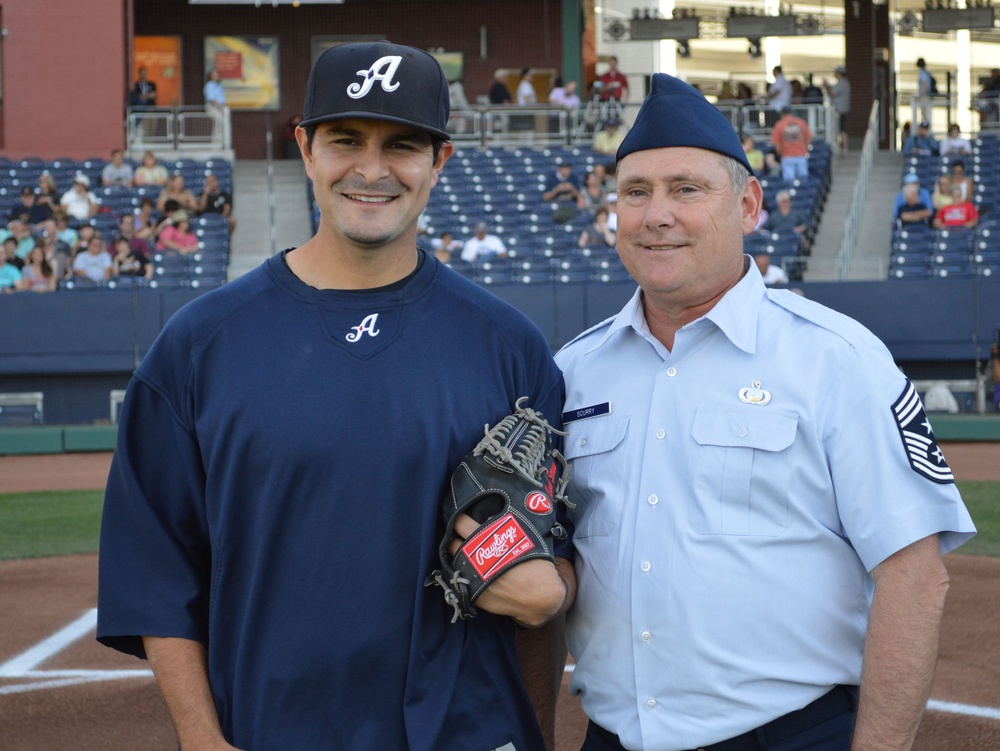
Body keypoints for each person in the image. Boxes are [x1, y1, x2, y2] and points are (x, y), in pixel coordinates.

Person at [96, 41, 573, 751]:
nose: (372, 169)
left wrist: (535, 730)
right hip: (273, 728)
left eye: (403, 144)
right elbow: (158, 569)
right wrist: (201, 738)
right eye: (346, 139)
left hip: (467, 731)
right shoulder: (199, 345)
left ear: (439, 161)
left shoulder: (510, 347)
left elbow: (547, 579)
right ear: (305, 148)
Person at [554, 71, 976, 751]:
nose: (656, 213)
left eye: (686, 189)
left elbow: (915, 576)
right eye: (636, 192)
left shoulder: (836, 358)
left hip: (788, 735)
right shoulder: (573, 371)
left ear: (748, 205)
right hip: (613, 735)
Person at [770, 106, 812, 182]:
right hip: (801, 155)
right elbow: (808, 138)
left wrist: (781, 153)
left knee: (789, 183)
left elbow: (776, 143)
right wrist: (805, 149)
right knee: (803, 182)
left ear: (782, 114)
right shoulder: (801, 122)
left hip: (787, 156)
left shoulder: (779, 125)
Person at [822, 65, 851, 152]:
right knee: (841, 128)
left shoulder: (841, 83)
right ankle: (843, 147)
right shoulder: (844, 82)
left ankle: (844, 148)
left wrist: (826, 86)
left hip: (840, 109)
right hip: (842, 109)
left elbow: (832, 93)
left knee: (841, 129)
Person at [916, 57, 934, 124]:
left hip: (924, 96)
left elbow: (924, 84)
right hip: (927, 95)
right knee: (926, 114)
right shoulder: (927, 72)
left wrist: (921, 95)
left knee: (925, 115)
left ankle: (926, 129)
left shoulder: (923, 73)